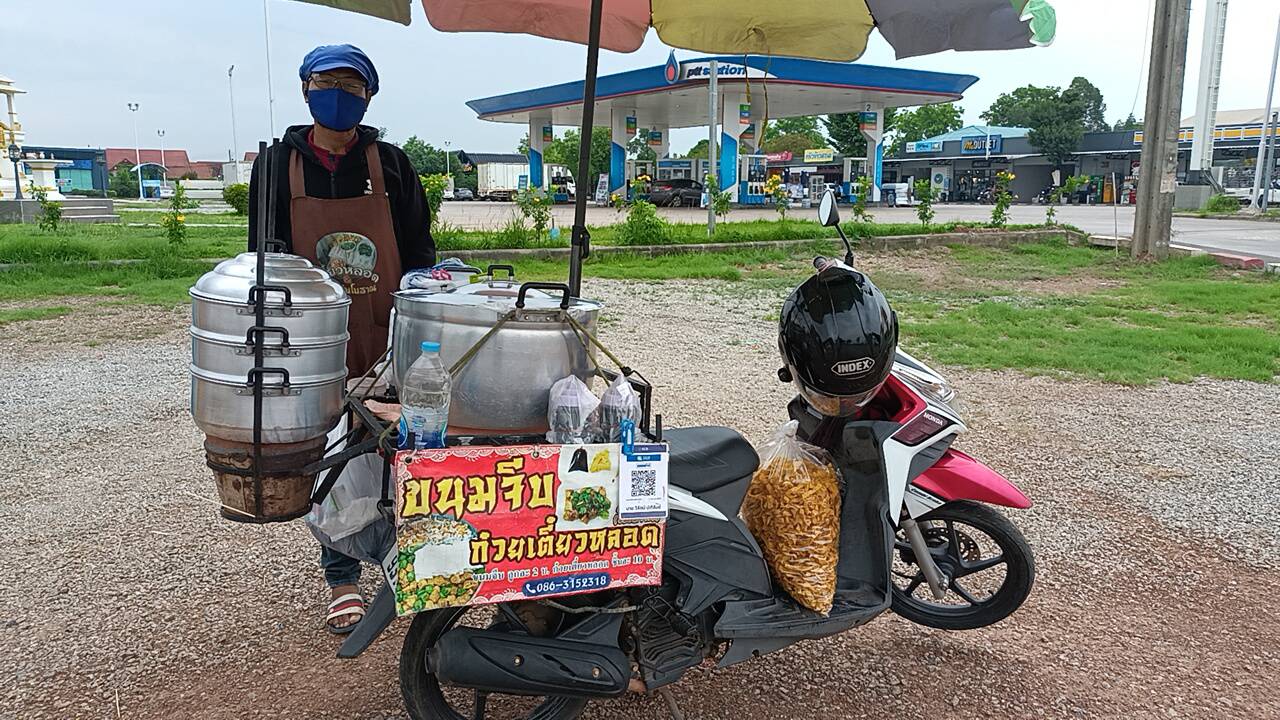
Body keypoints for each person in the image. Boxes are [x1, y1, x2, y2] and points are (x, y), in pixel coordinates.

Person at [247, 44, 435, 634]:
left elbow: (420, 255)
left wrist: (425, 316)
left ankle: (407, 560)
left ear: (369, 96)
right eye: (327, 82)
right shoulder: (277, 163)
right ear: (306, 89)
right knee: (328, 452)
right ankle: (342, 578)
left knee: (396, 446)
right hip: (311, 338)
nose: (339, 94)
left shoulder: (394, 163)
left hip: (386, 332)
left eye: (352, 86)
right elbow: (264, 255)